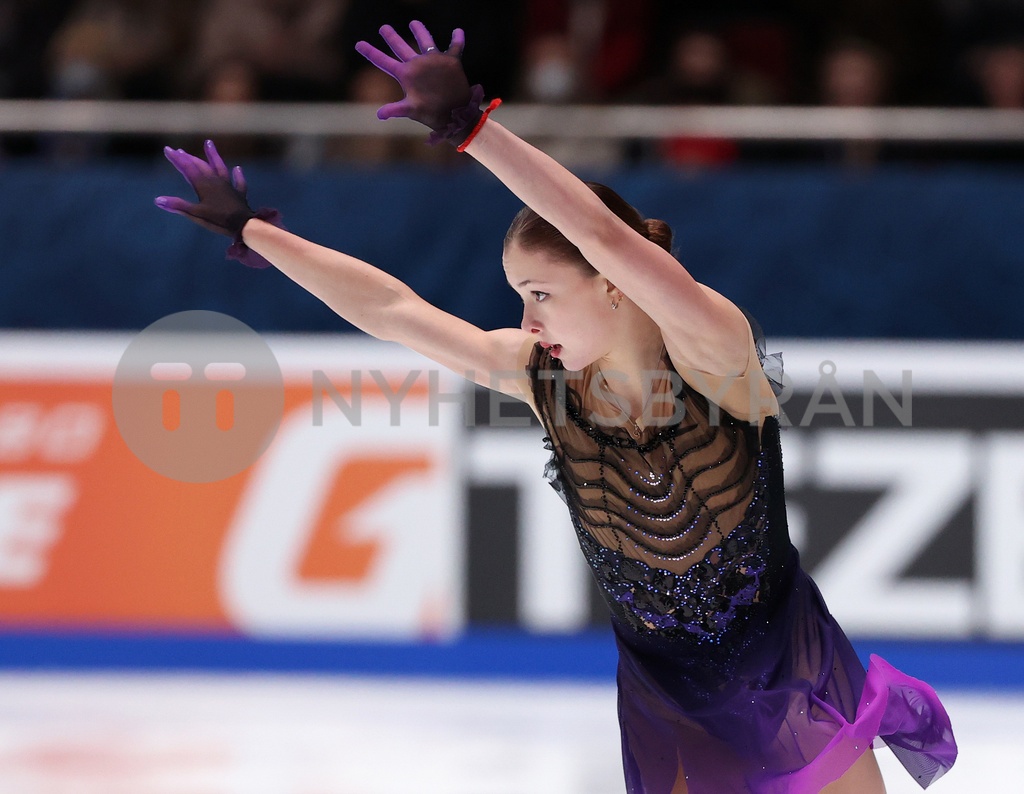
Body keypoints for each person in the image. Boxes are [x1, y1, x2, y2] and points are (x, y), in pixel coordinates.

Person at [154, 20, 958, 794]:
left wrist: (477, 129)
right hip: (662, 689)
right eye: (518, 298)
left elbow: (606, 238)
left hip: (791, 667)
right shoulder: (541, 377)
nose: (528, 321)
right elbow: (395, 311)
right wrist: (257, 232)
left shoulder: (715, 355)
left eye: (540, 294)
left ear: (612, 285)